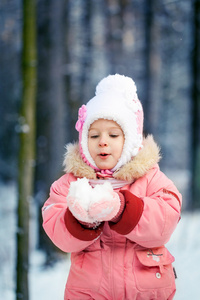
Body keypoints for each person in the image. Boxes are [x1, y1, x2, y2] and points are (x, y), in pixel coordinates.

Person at [42, 74, 182, 300]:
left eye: (114, 134)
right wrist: (81, 219)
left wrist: (121, 209)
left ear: (131, 140)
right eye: (94, 135)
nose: (102, 141)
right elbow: (57, 232)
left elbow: (165, 221)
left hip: (145, 291)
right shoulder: (69, 184)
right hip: (91, 292)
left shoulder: (151, 178)